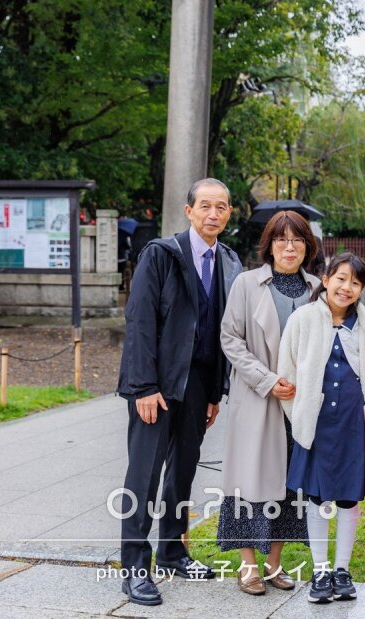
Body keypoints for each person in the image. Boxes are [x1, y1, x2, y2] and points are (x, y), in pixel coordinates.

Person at [116, 178, 242, 606]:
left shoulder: (228, 260)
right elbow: (139, 323)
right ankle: (134, 566)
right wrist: (143, 386)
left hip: (200, 385)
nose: (213, 214)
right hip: (157, 385)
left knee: (183, 471)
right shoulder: (161, 255)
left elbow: (224, 330)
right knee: (144, 476)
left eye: (221, 207)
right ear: (189, 211)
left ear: (229, 214)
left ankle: (172, 550)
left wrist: (215, 391)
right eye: (205, 206)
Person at [216, 211, 319, 596]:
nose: (289, 247)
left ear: (307, 246)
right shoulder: (247, 284)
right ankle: (248, 567)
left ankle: (274, 564)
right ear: (269, 245)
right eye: (281, 239)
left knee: (289, 487)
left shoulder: (317, 288)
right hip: (258, 399)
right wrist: (268, 379)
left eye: (297, 240)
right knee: (250, 483)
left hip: (299, 405)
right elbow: (231, 340)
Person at [277, 253, 365, 604]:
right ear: (325, 279)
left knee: (350, 498)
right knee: (319, 498)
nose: (346, 287)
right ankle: (320, 569)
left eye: (355, 282)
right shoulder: (303, 319)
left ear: (361, 289)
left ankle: (342, 569)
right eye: (340, 278)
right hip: (317, 423)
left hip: (353, 422)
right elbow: (287, 373)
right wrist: (300, 417)